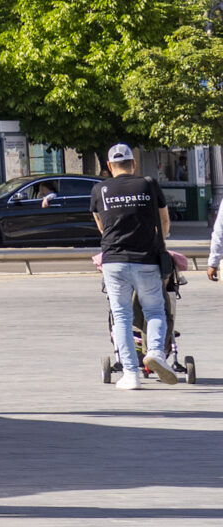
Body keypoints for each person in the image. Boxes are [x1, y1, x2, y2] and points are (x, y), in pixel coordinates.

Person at [94, 143, 176, 388]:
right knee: (155, 311)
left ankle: (130, 374)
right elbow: (164, 221)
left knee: (121, 316)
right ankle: (156, 353)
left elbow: (101, 226)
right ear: (134, 164)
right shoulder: (148, 184)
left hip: (113, 260)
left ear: (109, 166)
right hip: (145, 259)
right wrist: (159, 240)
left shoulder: (99, 190)